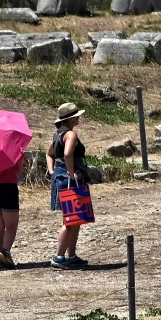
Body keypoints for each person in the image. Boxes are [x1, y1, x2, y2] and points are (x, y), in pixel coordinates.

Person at [48, 103, 94, 269]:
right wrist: (71, 172)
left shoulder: (57, 134)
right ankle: (59, 256)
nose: (79, 117)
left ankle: (71, 255)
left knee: (75, 218)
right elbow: (68, 153)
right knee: (70, 219)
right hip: (71, 180)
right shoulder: (70, 134)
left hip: (61, 178)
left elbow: (50, 154)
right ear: (71, 118)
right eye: (76, 115)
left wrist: (52, 170)